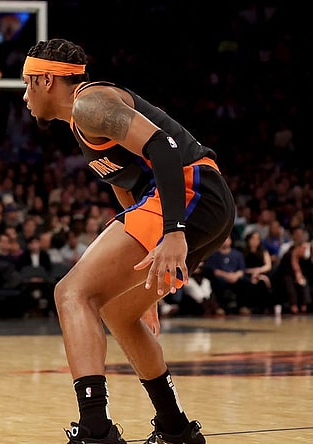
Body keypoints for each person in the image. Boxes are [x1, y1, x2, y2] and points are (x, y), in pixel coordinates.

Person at [22, 38, 235, 444]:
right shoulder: (79, 122)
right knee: (120, 313)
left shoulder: (90, 103)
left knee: (71, 293)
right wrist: (144, 290)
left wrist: (173, 231)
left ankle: (95, 430)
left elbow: (164, 147)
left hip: (192, 192)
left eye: (28, 83)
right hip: (193, 201)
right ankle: (175, 429)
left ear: (47, 80)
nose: (25, 95)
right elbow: (128, 189)